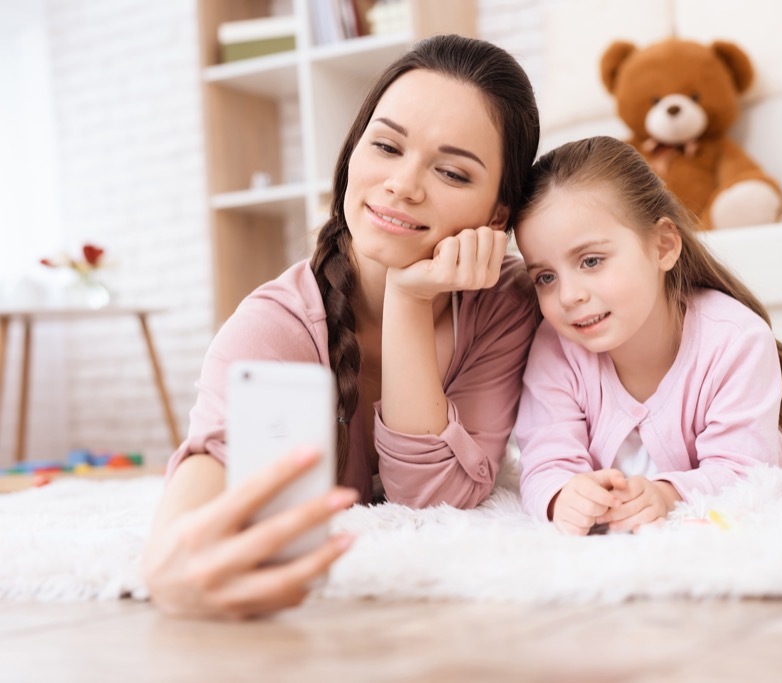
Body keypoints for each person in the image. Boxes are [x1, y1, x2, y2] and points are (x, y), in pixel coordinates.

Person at [142, 35, 540, 618]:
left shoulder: (502, 304)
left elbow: (435, 501)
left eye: (453, 173)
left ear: (497, 216)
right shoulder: (273, 325)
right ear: (353, 152)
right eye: (385, 146)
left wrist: (406, 299)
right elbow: (214, 461)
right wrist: (167, 561)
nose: (403, 184)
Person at [512, 136, 782, 536]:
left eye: (591, 261)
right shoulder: (556, 347)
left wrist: (667, 494)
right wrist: (563, 495)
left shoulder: (735, 339)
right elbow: (544, 461)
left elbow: (744, 474)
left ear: (663, 246)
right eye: (545, 277)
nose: (569, 296)